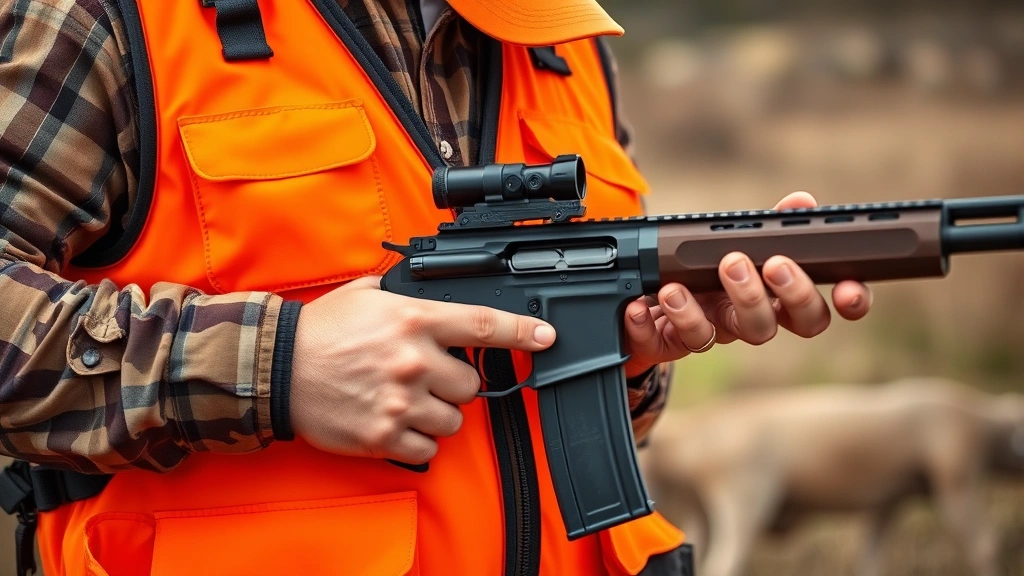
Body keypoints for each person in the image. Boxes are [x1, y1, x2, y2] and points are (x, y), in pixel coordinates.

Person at [0, 1, 872, 575]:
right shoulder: (107, 20)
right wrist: (278, 366)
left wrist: (628, 348)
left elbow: (584, 414)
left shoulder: (561, 38)